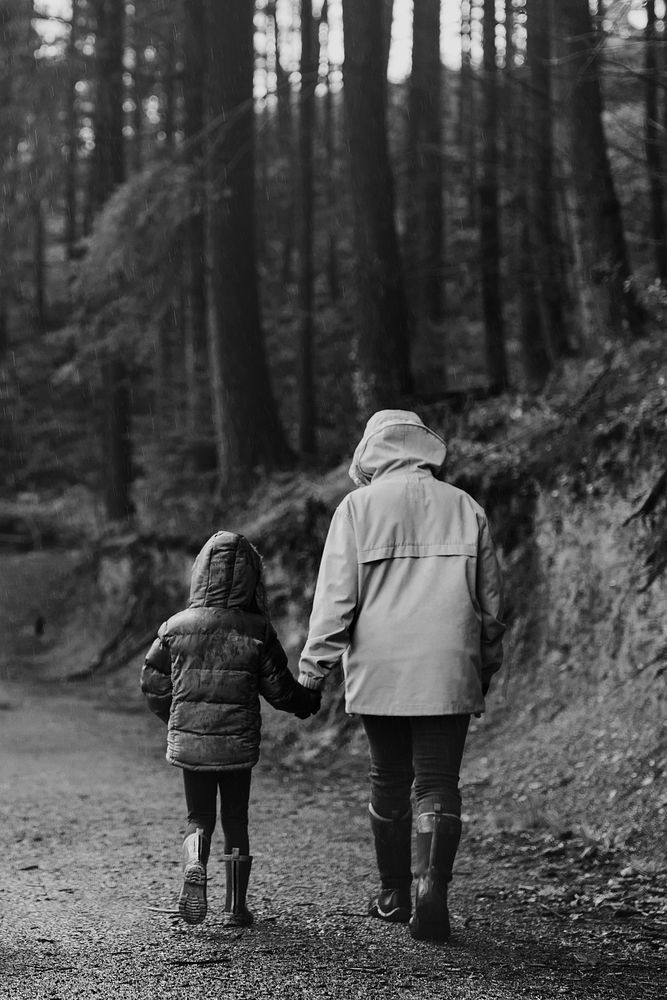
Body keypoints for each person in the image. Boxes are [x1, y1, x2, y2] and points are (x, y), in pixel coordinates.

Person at [298, 410, 505, 942]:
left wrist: (313, 670)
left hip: (381, 671)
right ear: (425, 446)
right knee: (438, 783)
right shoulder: (464, 506)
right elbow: (492, 604)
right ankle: (429, 889)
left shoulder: (357, 508)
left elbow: (335, 601)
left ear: (370, 451)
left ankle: (392, 893)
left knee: (388, 778)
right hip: (448, 667)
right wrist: (483, 663)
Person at [141, 529, 320, 927]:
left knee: (198, 815)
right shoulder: (256, 630)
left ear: (200, 574)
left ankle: (193, 862)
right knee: (236, 819)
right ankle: (236, 908)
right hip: (237, 744)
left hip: (191, 741)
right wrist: (308, 701)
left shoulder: (175, 627)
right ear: (252, 579)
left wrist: (177, 718)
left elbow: (153, 682)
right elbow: (280, 690)